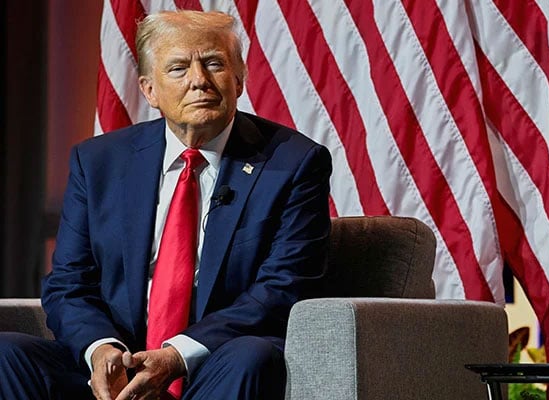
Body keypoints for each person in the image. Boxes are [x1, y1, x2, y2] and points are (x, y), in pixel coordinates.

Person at [0, 9, 331, 400]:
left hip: (213, 366)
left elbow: (283, 287)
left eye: (214, 63)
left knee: (252, 356)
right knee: (7, 353)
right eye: (178, 68)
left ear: (238, 79)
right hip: (117, 372)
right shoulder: (98, 162)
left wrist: (177, 356)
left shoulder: (293, 163)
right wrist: (102, 350)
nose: (199, 81)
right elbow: (69, 284)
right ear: (149, 90)